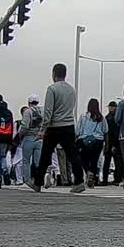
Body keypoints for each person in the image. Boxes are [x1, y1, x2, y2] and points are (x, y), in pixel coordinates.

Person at [30, 63, 86, 193]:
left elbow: (48, 111)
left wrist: (43, 130)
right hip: (69, 125)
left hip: (54, 127)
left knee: (45, 155)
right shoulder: (72, 90)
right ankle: (79, 182)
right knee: (73, 155)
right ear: (65, 74)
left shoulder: (52, 89)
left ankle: (37, 183)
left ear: (54, 73)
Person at [76, 98, 107, 186]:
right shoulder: (101, 118)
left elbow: (78, 131)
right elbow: (106, 131)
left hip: (84, 140)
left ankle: (88, 172)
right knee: (94, 160)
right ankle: (92, 177)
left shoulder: (83, 116)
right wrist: (106, 145)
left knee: (83, 158)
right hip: (98, 141)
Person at [19, 95, 44, 188]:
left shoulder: (28, 111)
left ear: (29, 102)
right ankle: (40, 179)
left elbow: (25, 126)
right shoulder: (43, 111)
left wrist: (20, 135)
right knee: (38, 161)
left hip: (29, 137)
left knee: (26, 160)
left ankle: (27, 180)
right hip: (40, 138)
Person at [103, 101, 120, 185]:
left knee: (108, 162)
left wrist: (113, 145)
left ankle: (106, 180)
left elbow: (113, 132)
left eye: (110, 107)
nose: (109, 109)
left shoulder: (110, 118)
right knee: (115, 162)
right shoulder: (114, 118)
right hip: (112, 143)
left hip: (111, 142)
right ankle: (116, 179)